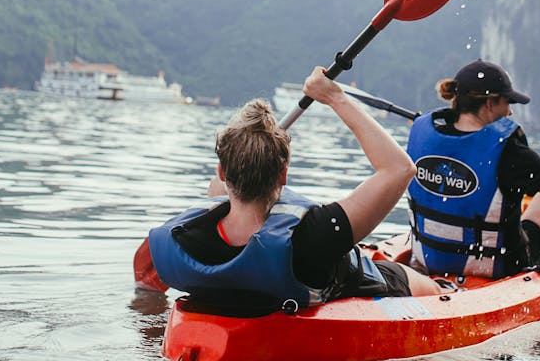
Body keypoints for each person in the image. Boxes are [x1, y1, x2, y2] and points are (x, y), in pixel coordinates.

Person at [147, 66, 441, 310]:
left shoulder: (189, 236)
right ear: (283, 175)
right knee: (425, 284)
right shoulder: (316, 235)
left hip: (218, 326)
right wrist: (334, 97)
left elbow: (218, 192)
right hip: (327, 291)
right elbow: (400, 168)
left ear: (223, 173)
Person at [406, 59, 540, 279]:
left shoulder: (423, 133)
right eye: (506, 102)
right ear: (490, 103)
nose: (509, 112)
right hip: (501, 266)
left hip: (429, 257)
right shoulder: (510, 153)